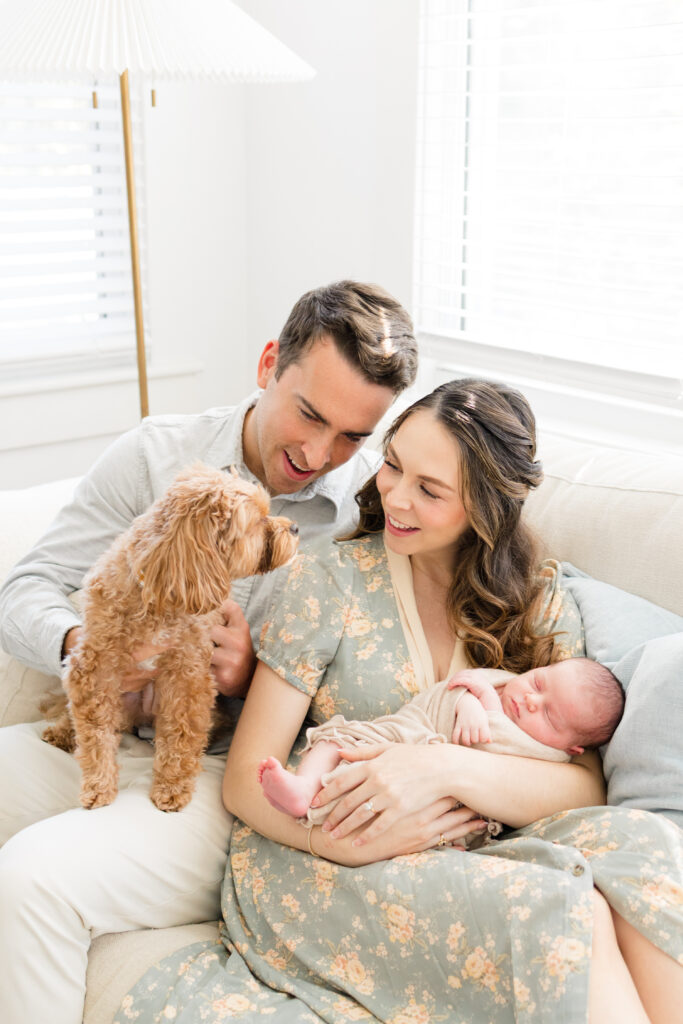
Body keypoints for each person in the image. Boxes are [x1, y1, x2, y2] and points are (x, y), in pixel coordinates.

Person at [116, 378, 682, 1024]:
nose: (395, 496)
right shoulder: (327, 581)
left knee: (643, 843)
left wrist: (440, 770)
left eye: (429, 489)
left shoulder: (537, 598)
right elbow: (246, 781)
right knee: (563, 910)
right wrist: (340, 846)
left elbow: (584, 786)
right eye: (391, 466)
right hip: (328, 854)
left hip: (479, 843)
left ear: (486, 508)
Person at [0, 280, 418, 1024]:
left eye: (353, 436)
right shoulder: (158, 454)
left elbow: (376, 701)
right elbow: (27, 587)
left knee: (32, 880)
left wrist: (256, 677)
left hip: (227, 776)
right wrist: (78, 648)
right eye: (309, 413)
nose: (317, 454)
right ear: (267, 365)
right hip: (105, 730)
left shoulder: (372, 515)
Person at [257, 659, 625, 841]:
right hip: (403, 731)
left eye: (548, 714)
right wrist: (470, 698)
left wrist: (481, 703)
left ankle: (318, 802)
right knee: (338, 739)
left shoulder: (548, 756)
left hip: (438, 799)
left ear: (571, 747)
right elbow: (462, 683)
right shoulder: (504, 682)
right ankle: (303, 789)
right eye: (539, 681)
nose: (529, 699)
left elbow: (491, 742)